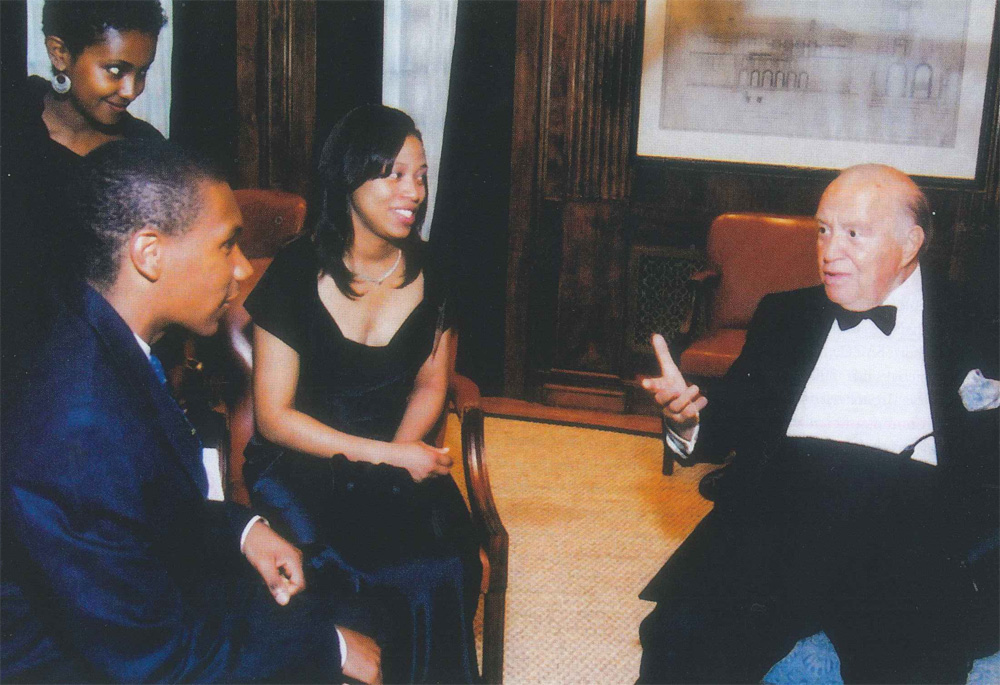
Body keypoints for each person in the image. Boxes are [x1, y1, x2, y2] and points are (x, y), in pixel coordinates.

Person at [1, 139, 384, 684]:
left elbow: (140, 503)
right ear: (149, 253)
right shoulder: (75, 423)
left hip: (119, 607)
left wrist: (245, 529)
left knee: (331, 593)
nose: (243, 268)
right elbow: (156, 662)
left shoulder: (98, 330)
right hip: (58, 663)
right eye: (228, 245)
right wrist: (330, 650)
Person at [637, 164, 999, 683]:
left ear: (910, 242)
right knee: (680, 634)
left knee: (912, 662)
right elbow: (725, 427)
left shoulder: (977, 320)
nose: (830, 251)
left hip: (909, 524)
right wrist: (685, 418)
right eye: (824, 230)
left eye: (854, 233)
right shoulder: (786, 316)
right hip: (782, 509)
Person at [242, 104, 482, 684]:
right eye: (394, 173)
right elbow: (273, 418)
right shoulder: (295, 271)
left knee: (445, 562)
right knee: (360, 564)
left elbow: (432, 381)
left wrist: (400, 454)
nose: (414, 191)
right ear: (348, 179)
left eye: (421, 174)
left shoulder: (436, 269)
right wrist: (387, 458)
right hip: (303, 463)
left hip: (398, 453)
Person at [2, 0, 168, 389]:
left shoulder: (145, 152)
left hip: (94, 373)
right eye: (115, 71)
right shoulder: (10, 123)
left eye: (141, 73)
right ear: (60, 54)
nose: (130, 90)